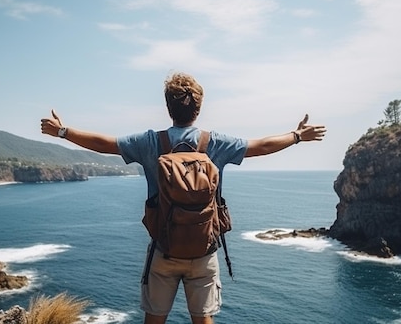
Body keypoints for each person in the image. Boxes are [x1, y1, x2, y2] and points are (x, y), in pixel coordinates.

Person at [40, 72, 326, 324]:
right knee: (203, 320)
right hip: (204, 250)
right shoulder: (215, 143)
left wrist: (63, 132)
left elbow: (105, 144)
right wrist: (297, 136)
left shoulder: (150, 141)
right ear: (199, 108)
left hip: (164, 249)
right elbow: (261, 146)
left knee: (154, 320)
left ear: (168, 107)